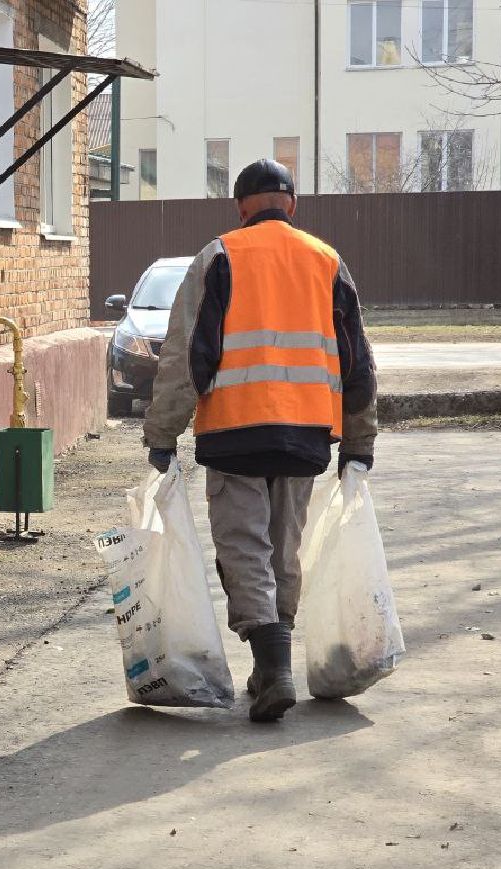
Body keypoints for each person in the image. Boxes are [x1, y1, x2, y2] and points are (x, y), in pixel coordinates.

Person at [142, 158, 377, 722]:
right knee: (283, 547)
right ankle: (272, 665)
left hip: (234, 432)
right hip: (305, 438)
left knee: (245, 547)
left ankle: (272, 667)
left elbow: (184, 358)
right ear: (291, 204)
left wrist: (161, 434)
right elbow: (358, 364)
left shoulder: (218, 257)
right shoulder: (327, 261)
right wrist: (359, 442)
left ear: (241, 207)